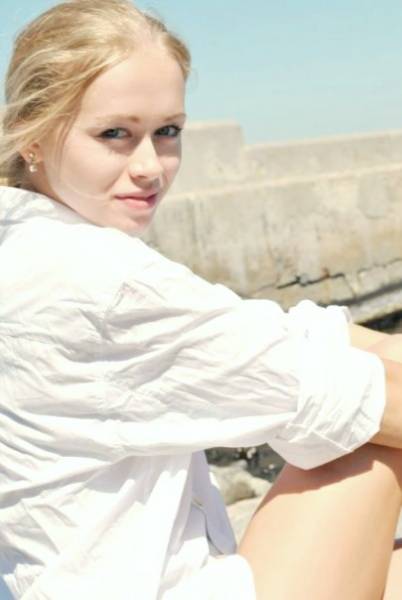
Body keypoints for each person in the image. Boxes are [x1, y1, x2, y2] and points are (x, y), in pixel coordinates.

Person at [1, 1, 402, 598]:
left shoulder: (26, 245)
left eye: (168, 132)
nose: (150, 167)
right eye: (115, 134)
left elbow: (266, 331)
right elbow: (362, 401)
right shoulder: (99, 281)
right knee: (369, 436)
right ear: (32, 136)